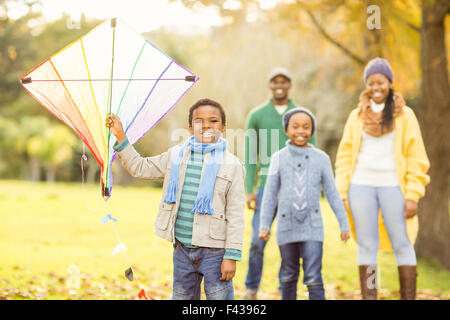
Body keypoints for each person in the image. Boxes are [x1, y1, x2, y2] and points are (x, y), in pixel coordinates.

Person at [106, 98, 245, 300]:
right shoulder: (176, 156)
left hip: (215, 253)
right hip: (182, 250)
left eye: (213, 121)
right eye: (199, 121)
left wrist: (231, 255)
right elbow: (140, 167)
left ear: (223, 127)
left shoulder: (233, 165)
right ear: (190, 127)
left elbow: (235, 215)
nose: (206, 125)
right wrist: (120, 135)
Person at [335, 57, 430, 300]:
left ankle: (408, 296)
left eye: (381, 82)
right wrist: (343, 192)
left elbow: (416, 156)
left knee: (403, 243)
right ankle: (370, 296)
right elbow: (344, 156)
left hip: (393, 188)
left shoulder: (405, 115)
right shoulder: (356, 116)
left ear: (389, 83)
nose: (376, 87)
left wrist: (412, 195)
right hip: (360, 187)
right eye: (371, 82)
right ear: (366, 85)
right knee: (367, 245)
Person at [258, 108, 350, 300]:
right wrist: (265, 225)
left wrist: (344, 224)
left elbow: (333, 193)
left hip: (312, 228)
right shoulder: (278, 158)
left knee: (313, 276)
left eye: (306, 127)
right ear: (286, 130)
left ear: (312, 131)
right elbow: (270, 194)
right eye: (295, 126)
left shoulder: (321, 159)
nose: (301, 131)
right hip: (286, 227)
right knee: (289, 275)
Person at [243, 67, 317, 299]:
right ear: (269, 85)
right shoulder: (257, 115)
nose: (279, 85)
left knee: (290, 240)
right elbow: (250, 155)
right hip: (266, 187)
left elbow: (311, 155)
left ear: (289, 85)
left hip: (295, 189)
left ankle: (285, 287)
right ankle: (251, 287)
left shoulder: (302, 115)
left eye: (284, 81)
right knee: (257, 239)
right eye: (275, 81)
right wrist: (249, 190)